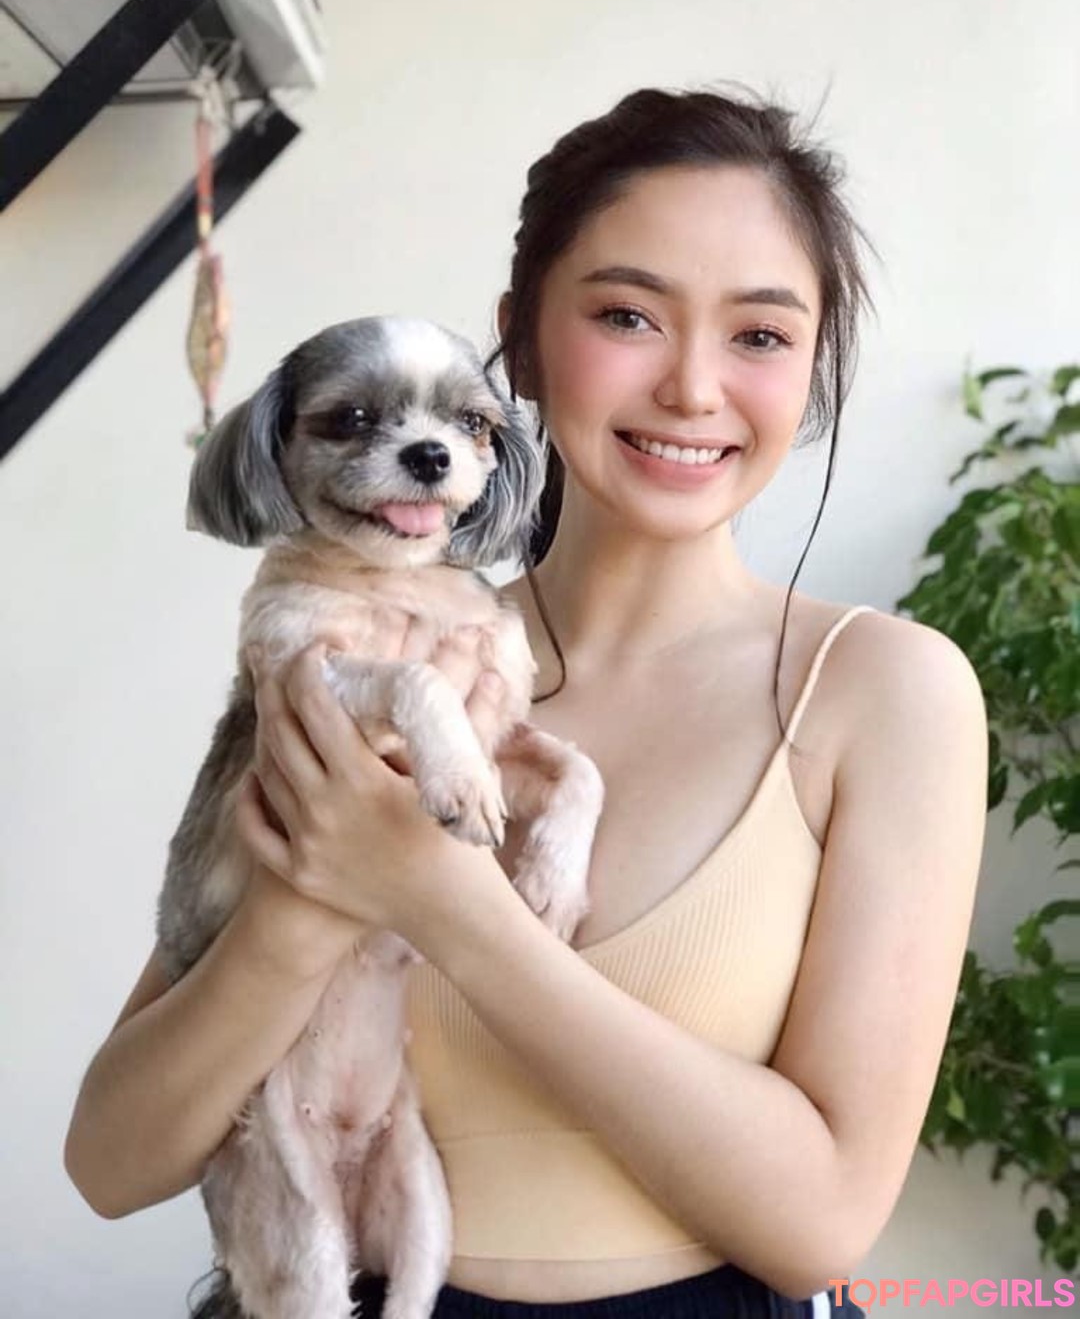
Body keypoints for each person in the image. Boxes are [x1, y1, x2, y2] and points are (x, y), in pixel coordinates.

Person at [64, 87, 989, 1319]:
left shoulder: (884, 690)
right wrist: (302, 912)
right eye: (627, 315)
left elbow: (821, 1224)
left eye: (761, 335)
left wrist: (438, 902)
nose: (693, 388)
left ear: (812, 365)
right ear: (523, 341)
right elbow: (113, 1161)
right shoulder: (382, 652)